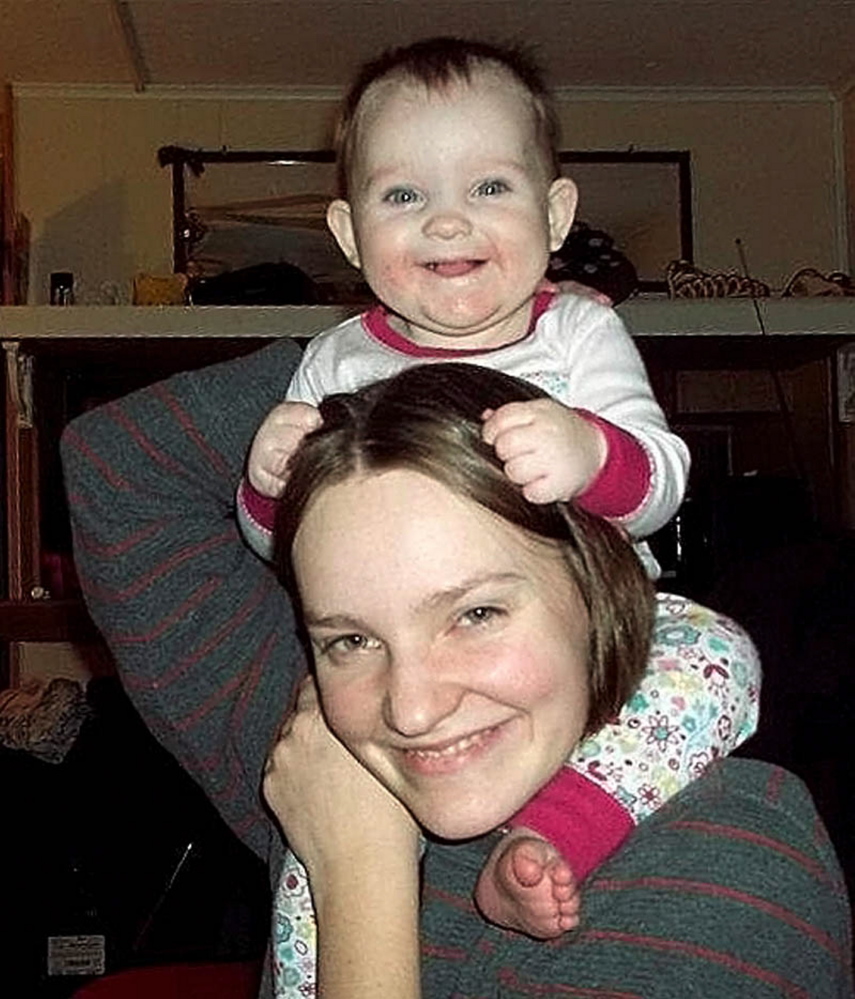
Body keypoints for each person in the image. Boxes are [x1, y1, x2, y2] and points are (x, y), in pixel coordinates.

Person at [62, 349, 851, 998]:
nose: (410, 708)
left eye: (475, 614)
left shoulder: (733, 867)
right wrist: (417, 326)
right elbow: (116, 467)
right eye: (348, 638)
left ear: (596, 586)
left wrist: (357, 872)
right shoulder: (326, 756)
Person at [234, 35, 749, 962]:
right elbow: (287, 552)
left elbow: (662, 481)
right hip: (387, 663)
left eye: (488, 189)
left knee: (716, 654)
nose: (444, 224)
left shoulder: (579, 334)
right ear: (349, 234)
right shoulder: (338, 357)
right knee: (324, 813)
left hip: (608, 632)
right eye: (404, 196)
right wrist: (268, 485)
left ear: (554, 216)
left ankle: (556, 832)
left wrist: (590, 449)